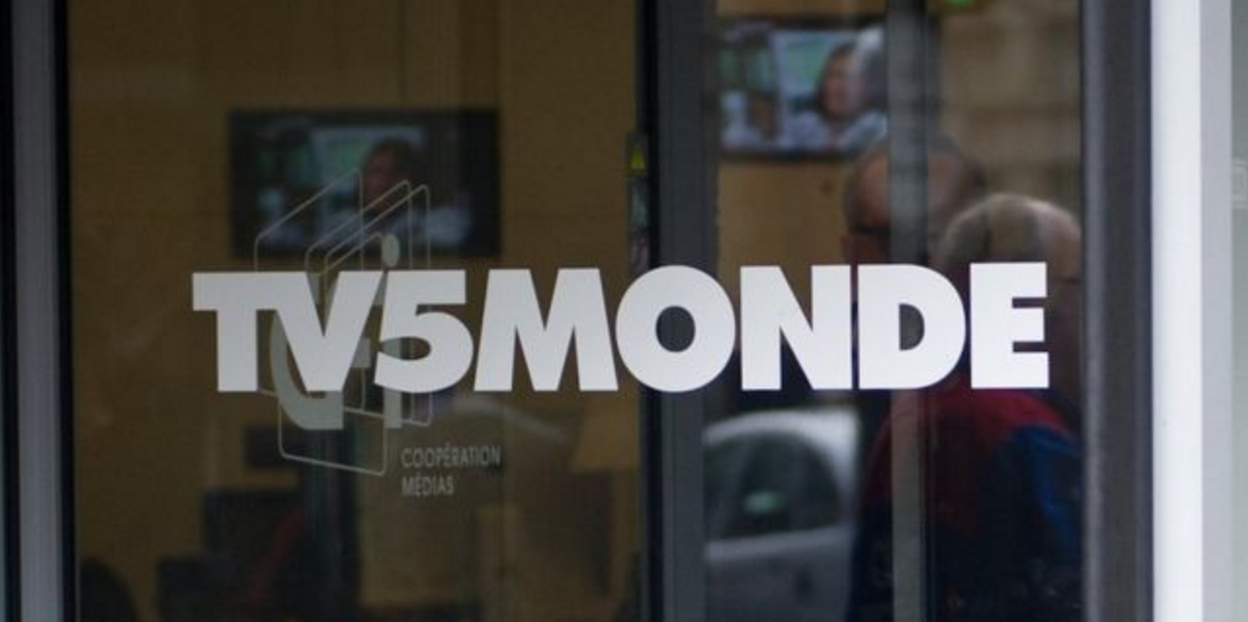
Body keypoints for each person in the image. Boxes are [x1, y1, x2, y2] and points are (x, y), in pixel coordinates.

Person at [844, 194, 1083, 622]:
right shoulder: (1016, 428)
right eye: (1076, 284)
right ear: (1035, 299)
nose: (1082, 306)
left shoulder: (921, 413)